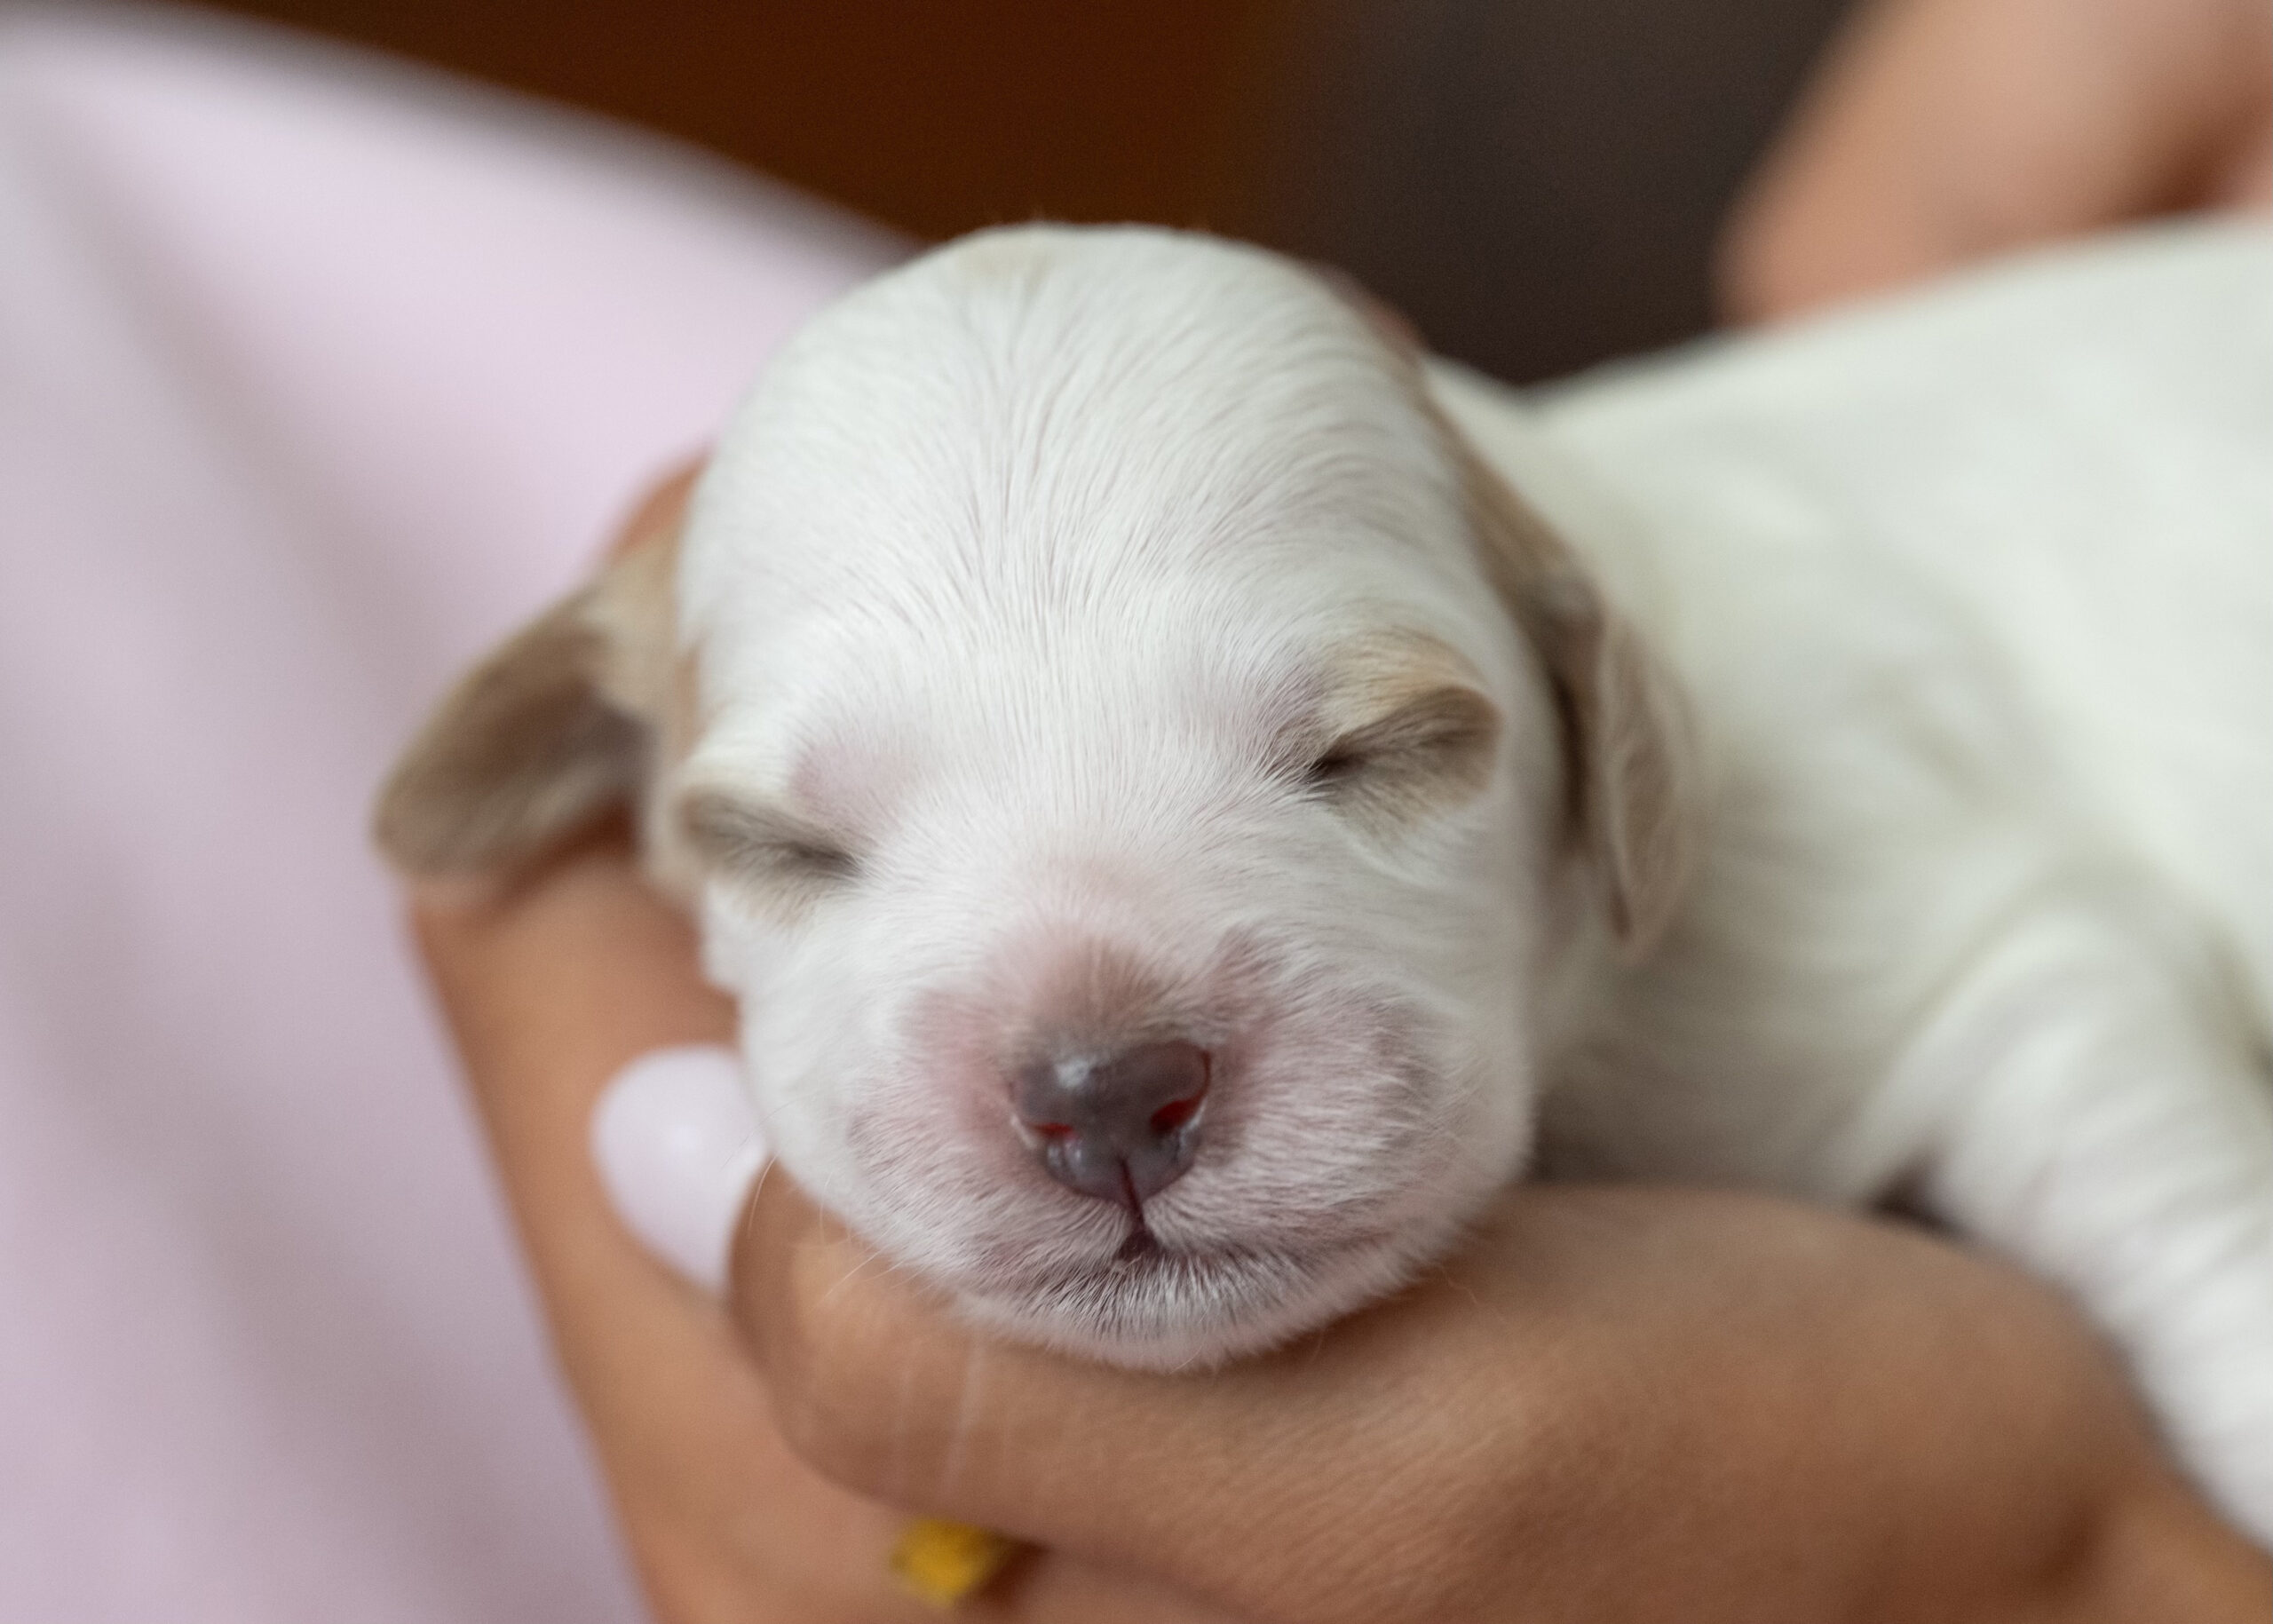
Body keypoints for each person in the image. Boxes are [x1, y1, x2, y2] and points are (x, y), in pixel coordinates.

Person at [406, 0, 2273, 1610]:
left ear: (1606, 724)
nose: (1099, 1084)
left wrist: (2122, 1548)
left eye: (1364, 758)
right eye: (797, 851)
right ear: (622, 784)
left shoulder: (1774, 835)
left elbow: (2028, 1002)